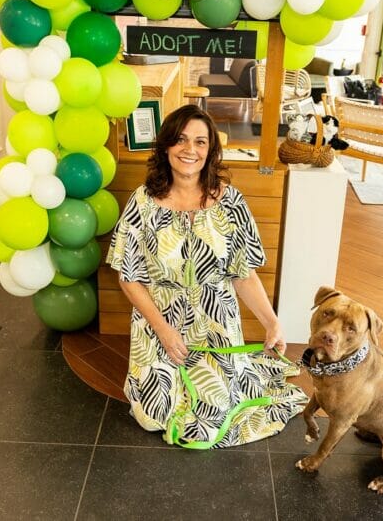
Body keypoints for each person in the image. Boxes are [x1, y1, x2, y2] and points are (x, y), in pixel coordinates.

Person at [106, 104, 307, 448]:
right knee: (156, 413)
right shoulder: (142, 202)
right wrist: (165, 332)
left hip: (214, 321)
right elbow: (129, 278)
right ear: (166, 146)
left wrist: (272, 322)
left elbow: (243, 275)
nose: (190, 150)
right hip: (159, 321)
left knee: (212, 413)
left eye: (200, 142)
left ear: (211, 150)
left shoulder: (231, 204)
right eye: (181, 140)